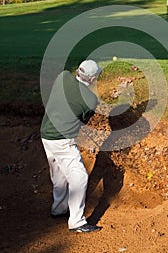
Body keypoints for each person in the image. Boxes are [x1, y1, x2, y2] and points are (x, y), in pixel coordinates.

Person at [40, 60, 102, 233]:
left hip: (46, 135)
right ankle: (77, 221)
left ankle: (58, 208)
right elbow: (83, 120)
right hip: (62, 141)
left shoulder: (63, 77)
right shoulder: (90, 100)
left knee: (58, 174)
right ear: (92, 79)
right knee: (80, 176)